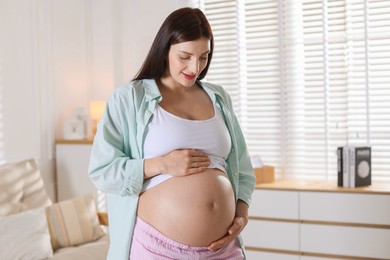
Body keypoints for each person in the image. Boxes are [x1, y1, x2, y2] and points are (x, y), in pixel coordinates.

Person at [88, 7, 256, 260]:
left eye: (204, 57)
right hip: (159, 249)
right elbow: (102, 171)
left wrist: (241, 214)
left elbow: (243, 170)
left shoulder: (219, 97)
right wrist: (162, 164)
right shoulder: (130, 98)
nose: (195, 67)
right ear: (165, 49)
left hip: (223, 250)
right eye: (185, 56)